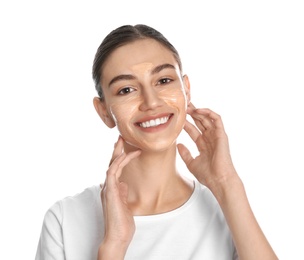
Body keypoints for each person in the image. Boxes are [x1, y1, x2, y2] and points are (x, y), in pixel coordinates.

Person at [35, 24, 278, 260]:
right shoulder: (65, 220)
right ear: (104, 112)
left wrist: (227, 184)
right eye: (127, 90)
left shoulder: (226, 210)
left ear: (186, 90)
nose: (151, 102)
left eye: (163, 81)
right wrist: (114, 245)